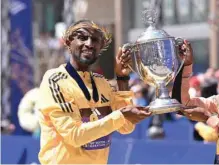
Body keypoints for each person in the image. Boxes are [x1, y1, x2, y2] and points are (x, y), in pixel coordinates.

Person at [37, 20, 151, 164]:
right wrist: (120, 115)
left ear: (101, 47)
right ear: (68, 42)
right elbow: (74, 136)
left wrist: (122, 79)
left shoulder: (102, 83)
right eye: (83, 38)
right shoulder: (55, 80)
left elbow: (126, 127)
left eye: (95, 40)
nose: (89, 44)